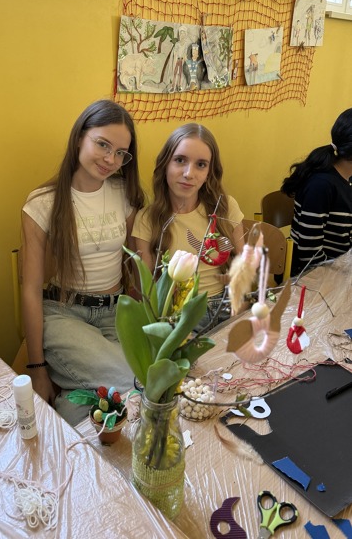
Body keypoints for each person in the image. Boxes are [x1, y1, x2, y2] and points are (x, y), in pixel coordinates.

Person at [21, 99, 145, 426]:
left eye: (121, 153)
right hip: (64, 313)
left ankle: (69, 418)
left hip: (116, 312)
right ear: (79, 138)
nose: (110, 159)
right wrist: (37, 369)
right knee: (137, 379)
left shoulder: (124, 193)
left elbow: (136, 264)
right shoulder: (42, 203)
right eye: (102, 144)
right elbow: (31, 290)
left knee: (80, 408)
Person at [132, 123, 244, 331]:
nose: (188, 173)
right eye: (180, 160)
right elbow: (145, 292)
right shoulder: (147, 219)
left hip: (226, 306)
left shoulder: (225, 207)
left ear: (209, 172)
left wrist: (238, 317)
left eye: (201, 164)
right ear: (165, 164)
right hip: (177, 315)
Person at [281, 108, 352, 275]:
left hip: (340, 265)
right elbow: (310, 256)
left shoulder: (346, 178)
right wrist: (343, 271)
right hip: (311, 275)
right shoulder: (321, 186)